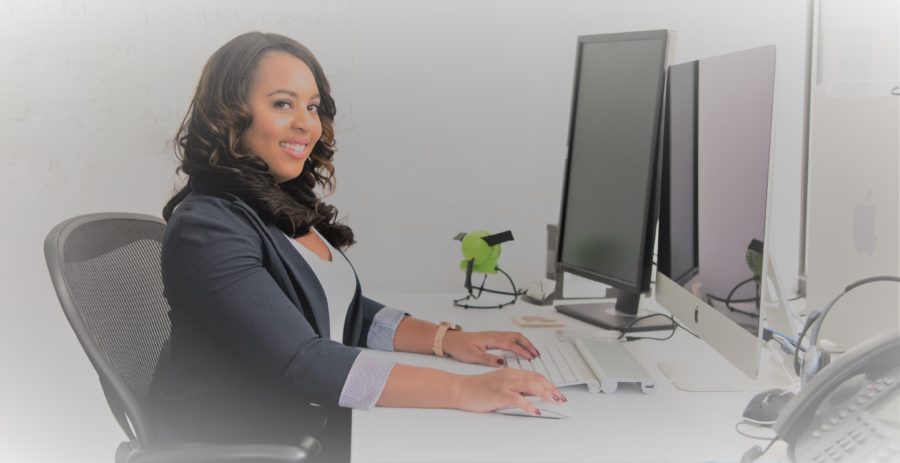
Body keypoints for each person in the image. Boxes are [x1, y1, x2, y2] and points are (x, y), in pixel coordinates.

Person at [149, 31, 565, 459]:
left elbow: (347, 311)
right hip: (245, 443)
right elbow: (302, 360)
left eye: (312, 107)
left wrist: (447, 340)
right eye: (282, 103)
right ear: (230, 115)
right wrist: (463, 389)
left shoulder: (275, 203)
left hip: (302, 424)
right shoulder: (208, 228)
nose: (306, 123)